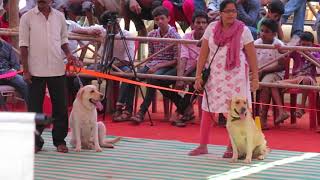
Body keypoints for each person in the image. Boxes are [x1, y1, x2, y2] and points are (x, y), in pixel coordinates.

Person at [187, 0, 259, 156]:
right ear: (220, 13)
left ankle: (231, 147)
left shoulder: (243, 30)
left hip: (236, 76)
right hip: (214, 75)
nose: (231, 14)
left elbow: (252, 56)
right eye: (228, 11)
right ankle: (203, 145)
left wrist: (255, 78)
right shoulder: (211, 28)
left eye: (234, 11)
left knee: (236, 111)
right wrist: (198, 76)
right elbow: (203, 54)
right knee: (207, 108)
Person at [19, 0, 82, 153]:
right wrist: (26, 70)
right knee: (35, 109)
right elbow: (23, 45)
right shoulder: (26, 17)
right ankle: (35, 142)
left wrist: (68, 54)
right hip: (35, 70)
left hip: (57, 68)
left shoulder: (60, 17)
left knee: (60, 107)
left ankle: (60, 141)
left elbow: (63, 40)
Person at [72, 11, 135, 122]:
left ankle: (121, 108)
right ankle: (92, 104)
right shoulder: (102, 30)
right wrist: (91, 31)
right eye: (109, 26)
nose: (114, 27)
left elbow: (127, 61)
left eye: (115, 23)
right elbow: (74, 30)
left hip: (121, 65)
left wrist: (111, 65)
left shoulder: (127, 35)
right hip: (102, 64)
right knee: (80, 77)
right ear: (106, 26)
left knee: (129, 75)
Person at [130, 6, 181, 124]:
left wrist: (158, 66)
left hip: (167, 66)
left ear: (168, 18)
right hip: (152, 64)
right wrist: (147, 66)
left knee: (153, 78)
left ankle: (141, 112)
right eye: (157, 19)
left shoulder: (175, 36)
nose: (160, 22)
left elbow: (176, 60)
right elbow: (151, 54)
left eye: (162, 18)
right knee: (131, 76)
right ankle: (124, 108)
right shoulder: (152, 34)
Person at [159, 10, 209, 127]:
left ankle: (178, 112)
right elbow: (183, 57)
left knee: (195, 82)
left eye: (203, 23)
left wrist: (185, 75)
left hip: (201, 69)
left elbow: (200, 62)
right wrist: (180, 78)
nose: (201, 25)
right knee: (157, 80)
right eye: (198, 22)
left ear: (207, 24)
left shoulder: (210, 38)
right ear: (192, 24)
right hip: (185, 68)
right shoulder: (187, 36)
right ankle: (186, 108)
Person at [278, 32, 320, 120]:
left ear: (312, 44)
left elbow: (318, 63)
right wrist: (278, 47)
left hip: (310, 79)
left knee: (306, 80)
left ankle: (301, 108)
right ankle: (282, 111)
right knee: (275, 84)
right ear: (299, 43)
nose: (305, 47)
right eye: (303, 44)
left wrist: (308, 54)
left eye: (308, 45)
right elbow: (284, 51)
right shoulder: (296, 50)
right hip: (295, 79)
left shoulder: (315, 51)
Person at [255, 19, 288, 129]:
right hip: (257, 72)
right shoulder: (256, 43)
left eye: (267, 31)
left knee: (265, 84)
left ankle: (263, 117)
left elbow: (281, 66)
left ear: (274, 34)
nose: (263, 34)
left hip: (275, 73)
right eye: (262, 31)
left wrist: (263, 71)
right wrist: (255, 72)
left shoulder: (279, 44)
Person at [0, 40, 28, 104]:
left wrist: (12, 72)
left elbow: (16, 65)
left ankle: (32, 109)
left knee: (24, 82)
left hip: (8, 75)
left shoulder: (7, 46)